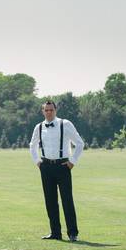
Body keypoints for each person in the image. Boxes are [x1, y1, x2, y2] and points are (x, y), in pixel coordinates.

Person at [29, 100, 85, 241]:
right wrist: (37, 162)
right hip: (46, 166)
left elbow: (79, 143)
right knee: (50, 201)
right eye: (46, 110)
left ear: (55, 110)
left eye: (51, 110)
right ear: (42, 111)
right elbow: (32, 145)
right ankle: (55, 233)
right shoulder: (39, 127)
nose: (49, 112)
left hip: (63, 166)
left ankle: (73, 233)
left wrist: (72, 161)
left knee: (67, 200)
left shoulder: (65, 124)